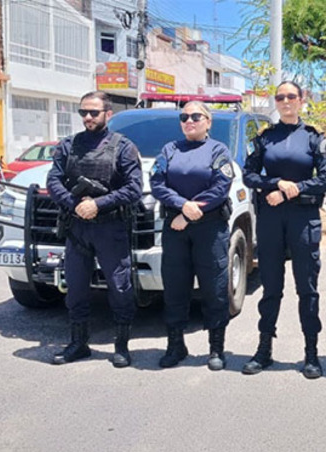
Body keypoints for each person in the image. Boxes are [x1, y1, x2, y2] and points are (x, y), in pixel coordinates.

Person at [241, 81, 326, 379]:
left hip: (304, 218)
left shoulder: (314, 138)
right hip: (271, 219)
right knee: (271, 286)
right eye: (280, 97)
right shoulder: (265, 138)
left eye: (291, 96)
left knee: (307, 288)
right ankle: (264, 349)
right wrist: (275, 183)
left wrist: (292, 189)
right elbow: (248, 175)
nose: (285, 101)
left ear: (301, 100)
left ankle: (311, 353)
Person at [47, 91, 143, 368]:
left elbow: (134, 188)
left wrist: (98, 204)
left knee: (120, 287)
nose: (87, 117)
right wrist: (75, 204)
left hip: (110, 228)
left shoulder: (123, 147)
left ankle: (122, 346)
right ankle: (78, 344)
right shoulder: (69, 145)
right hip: (77, 227)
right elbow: (53, 181)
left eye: (93, 112)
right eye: (83, 112)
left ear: (108, 114)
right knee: (75, 289)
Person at [150, 101, 234, 371]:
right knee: (175, 288)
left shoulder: (218, 150)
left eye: (196, 116)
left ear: (208, 122)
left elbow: (220, 187)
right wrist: (182, 204)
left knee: (214, 289)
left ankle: (216, 348)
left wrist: (187, 214)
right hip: (175, 229)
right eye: (184, 117)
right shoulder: (170, 149)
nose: (189, 121)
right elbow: (157, 183)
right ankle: (176, 345)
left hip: (209, 228)